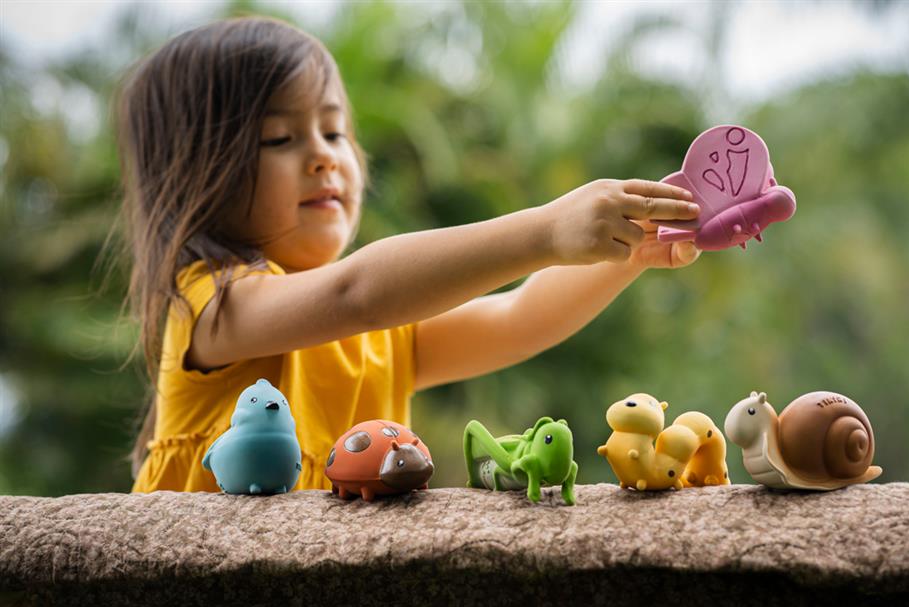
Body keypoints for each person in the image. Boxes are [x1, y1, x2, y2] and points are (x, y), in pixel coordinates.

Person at [116, 16, 701, 493]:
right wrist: (545, 230)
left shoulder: (382, 337)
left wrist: (630, 253)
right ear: (195, 174)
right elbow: (356, 295)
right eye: (279, 139)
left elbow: (519, 319)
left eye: (335, 131)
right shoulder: (211, 306)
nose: (324, 157)